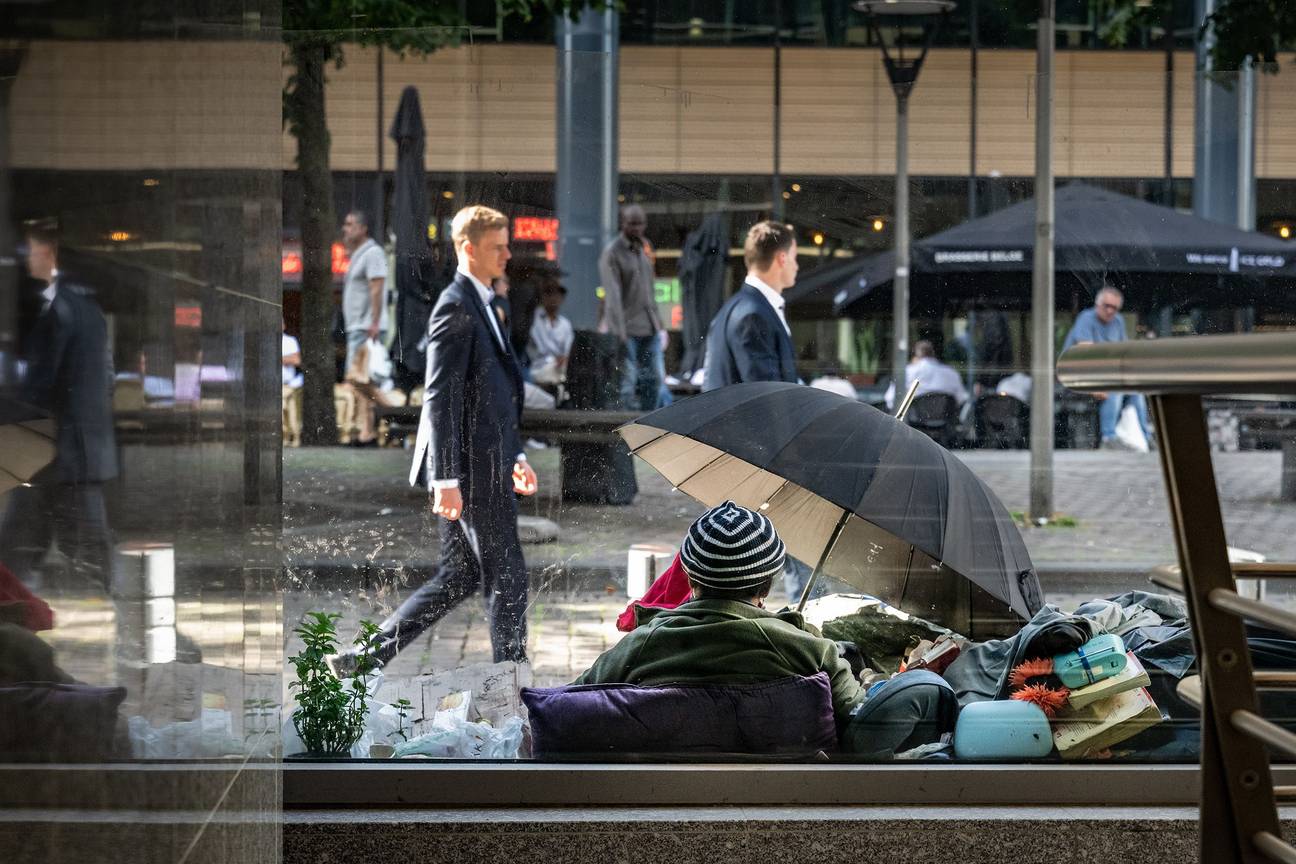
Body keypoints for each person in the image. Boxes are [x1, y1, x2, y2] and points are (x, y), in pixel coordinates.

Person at [330, 205, 538, 675]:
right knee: (507, 574)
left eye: (507, 244)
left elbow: (494, 394)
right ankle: (514, 680)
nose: (508, 253)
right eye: (497, 246)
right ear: (469, 248)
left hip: (484, 460)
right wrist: (445, 478)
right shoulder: (455, 306)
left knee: (458, 576)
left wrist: (516, 453)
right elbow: (440, 398)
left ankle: (364, 660)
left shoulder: (484, 301)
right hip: (468, 467)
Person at [574, 501, 866, 729]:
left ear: (688, 577)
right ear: (768, 582)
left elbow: (568, 705)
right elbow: (860, 718)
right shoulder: (812, 650)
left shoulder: (642, 645)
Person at [0, 219, 117, 591]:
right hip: (70, 451)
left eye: (29, 252)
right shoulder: (82, 308)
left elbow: (42, 385)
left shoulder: (61, 312)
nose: (24, 261)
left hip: (60, 451)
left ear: (47, 254)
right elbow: (107, 376)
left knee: (79, 548)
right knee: (29, 544)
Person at [702, 220, 800, 392]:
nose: (797, 266)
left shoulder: (734, 308)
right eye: (794, 257)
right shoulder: (752, 315)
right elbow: (766, 396)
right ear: (782, 259)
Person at [1061, 285, 1152, 449]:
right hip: (1077, 376)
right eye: (1107, 306)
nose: (1110, 311)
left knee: (1136, 391)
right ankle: (1108, 438)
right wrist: (1095, 385)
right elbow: (1085, 354)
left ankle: (1146, 437)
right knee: (1115, 389)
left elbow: (1122, 353)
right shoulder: (1086, 318)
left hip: (1106, 376)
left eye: (1115, 308)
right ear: (1098, 304)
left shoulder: (1118, 321)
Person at [598, 204, 664, 411]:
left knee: (654, 381)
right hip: (627, 330)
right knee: (626, 385)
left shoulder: (645, 248)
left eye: (640, 223)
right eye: (632, 223)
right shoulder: (612, 252)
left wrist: (660, 326)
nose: (636, 228)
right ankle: (626, 437)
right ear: (623, 224)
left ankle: (649, 431)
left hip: (649, 328)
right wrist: (619, 332)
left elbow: (649, 291)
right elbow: (613, 297)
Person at [340, 209, 389, 447]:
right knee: (360, 381)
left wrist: (375, 322)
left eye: (350, 224)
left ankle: (395, 412)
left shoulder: (373, 252)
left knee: (357, 379)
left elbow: (377, 287)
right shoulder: (358, 254)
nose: (345, 228)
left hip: (366, 327)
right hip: (358, 326)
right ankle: (366, 433)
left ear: (363, 228)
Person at [883, 341, 969, 411]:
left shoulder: (907, 372)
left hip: (913, 426)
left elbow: (890, 400)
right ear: (933, 354)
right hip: (944, 427)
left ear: (915, 357)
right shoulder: (951, 373)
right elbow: (961, 399)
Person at [527, 276, 574, 387]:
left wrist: (564, 359)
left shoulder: (565, 324)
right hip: (538, 369)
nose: (554, 298)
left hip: (560, 369)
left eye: (557, 294)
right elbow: (536, 351)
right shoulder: (534, 319)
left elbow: (568, 351)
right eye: (549, 293)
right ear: (542, 297)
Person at [282, 324, 304, 447]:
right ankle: (285, 437)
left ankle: (295, 438)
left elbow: (296, 360)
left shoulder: (290, 341)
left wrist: (279, 358)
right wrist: (286, 358)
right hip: (276, 386)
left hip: (289, 384)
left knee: (293, 412)